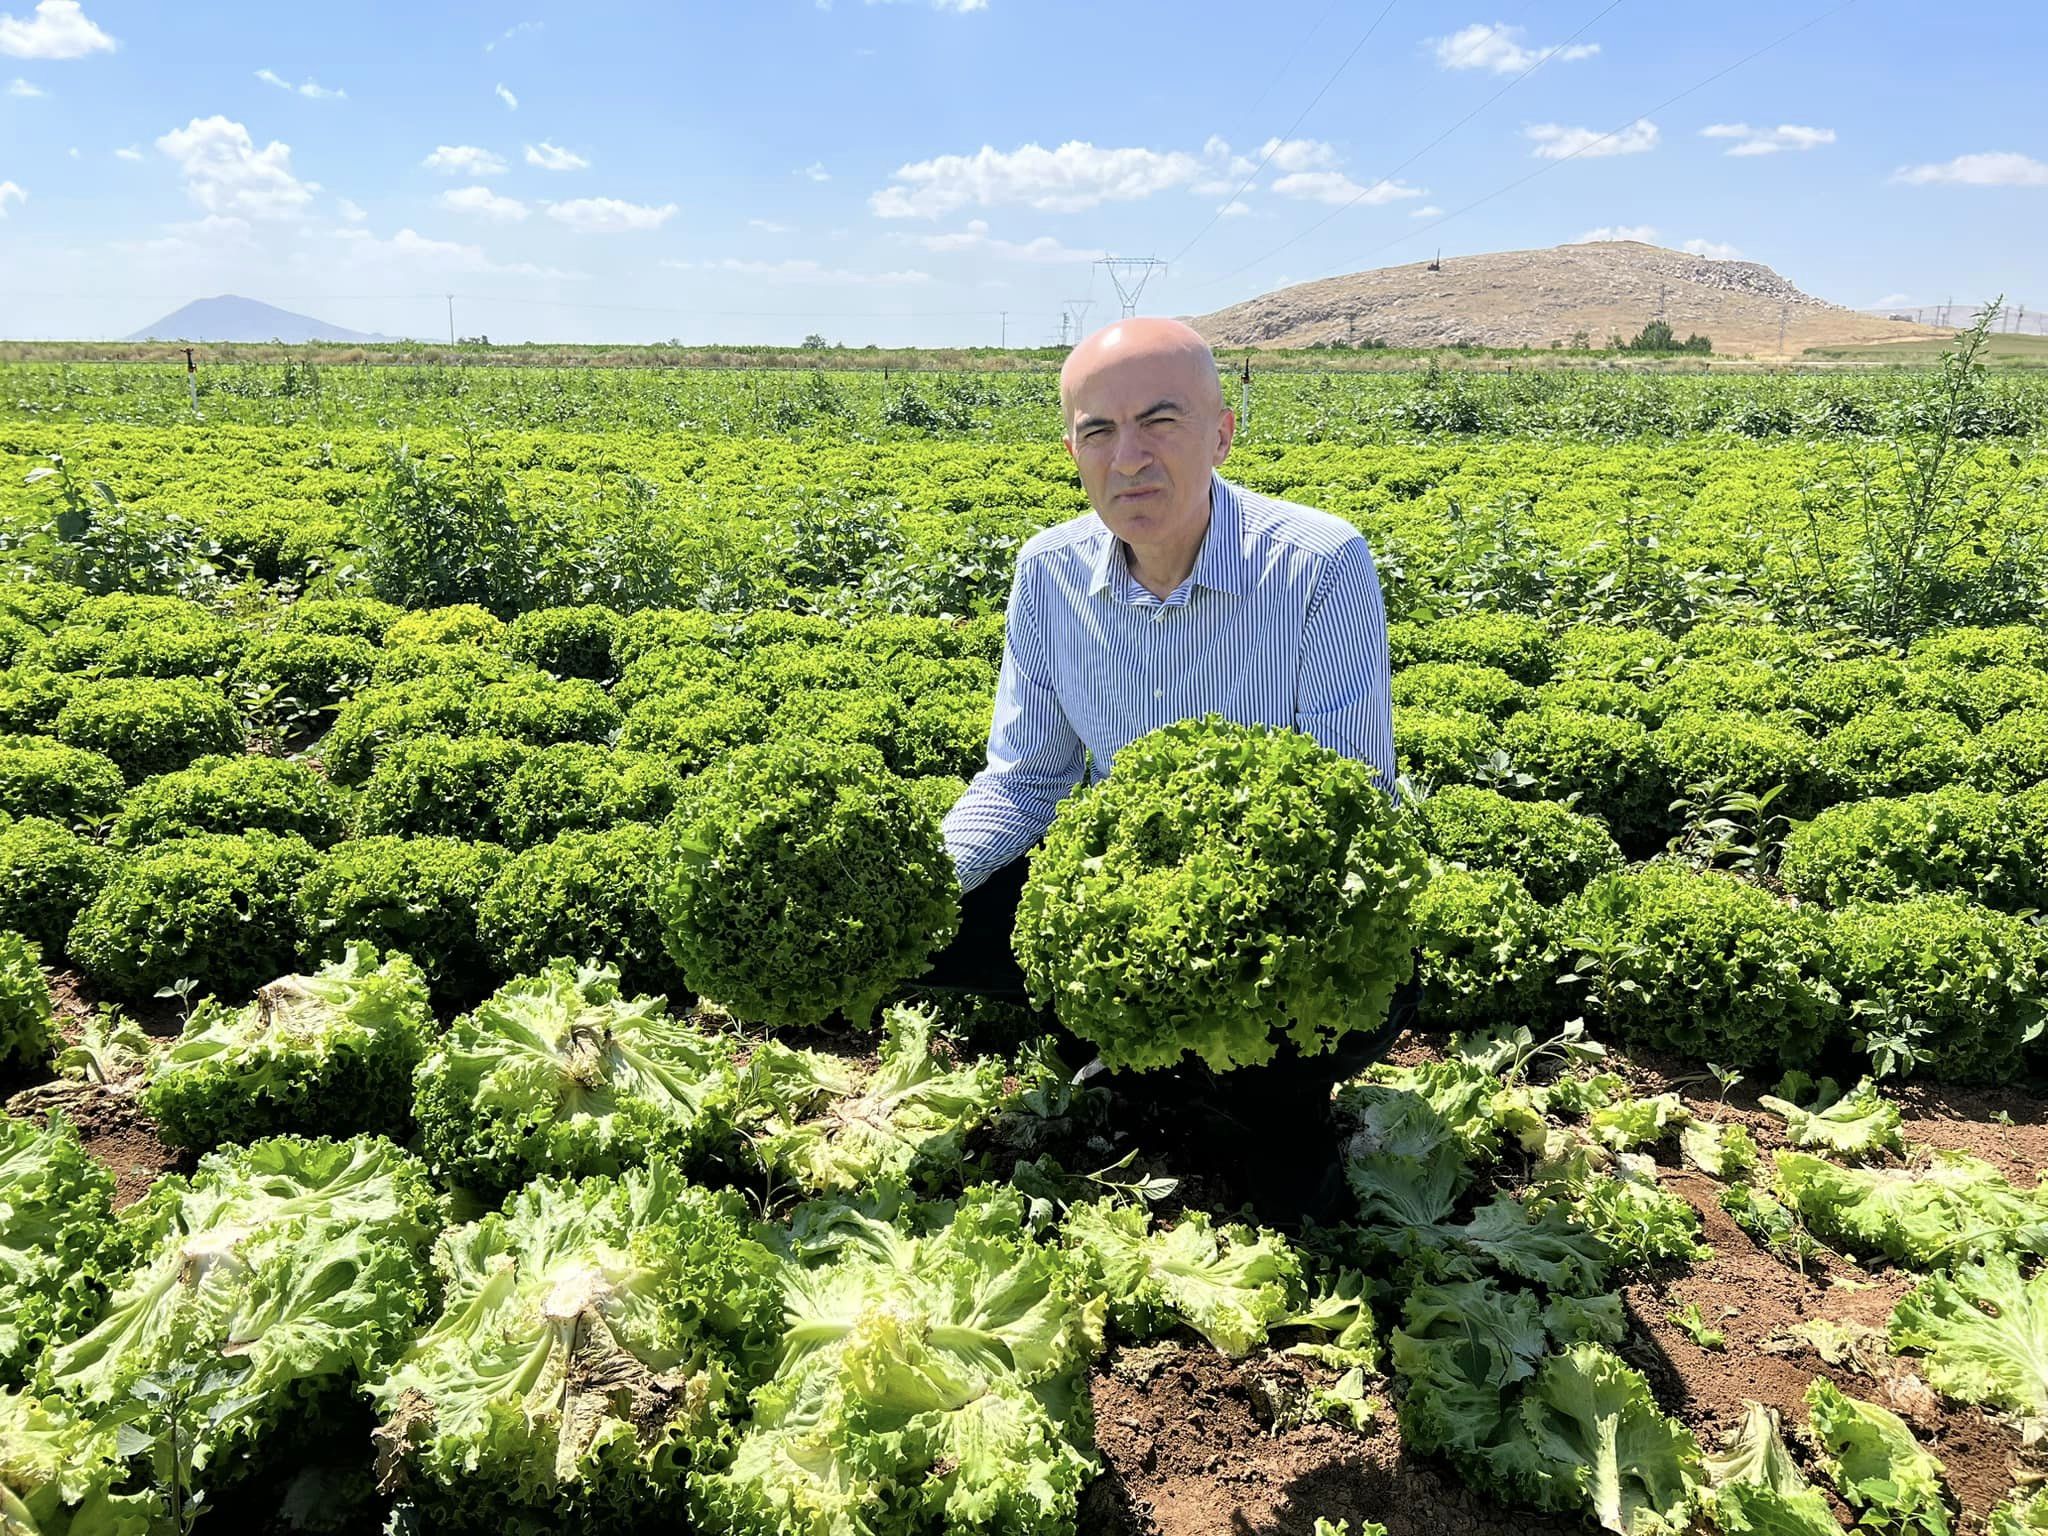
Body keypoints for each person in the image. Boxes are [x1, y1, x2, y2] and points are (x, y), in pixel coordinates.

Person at [923, 316, 1404, 1218]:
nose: (1128, 457)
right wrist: (920, 885)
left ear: (1222, 432)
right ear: (1071, 447)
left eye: (1160, 421)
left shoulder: (1318, 563)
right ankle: (1130, 1046)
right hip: (1124, 901)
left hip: (1278, 917)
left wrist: (1212, 926)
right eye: (1098, 431)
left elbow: (1351, 807)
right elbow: (1026, 778)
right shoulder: (1047, 571)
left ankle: (1273, 1107)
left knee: (1347, 985)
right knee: (923, 922)